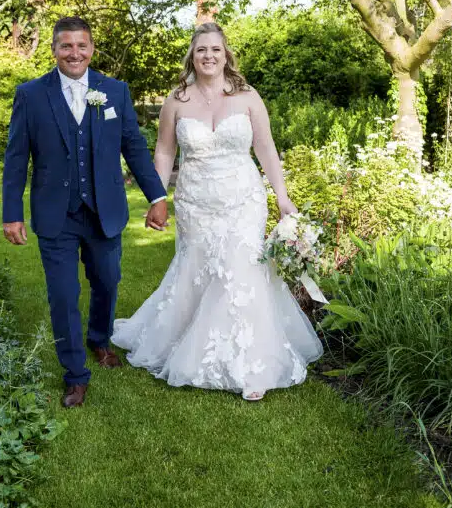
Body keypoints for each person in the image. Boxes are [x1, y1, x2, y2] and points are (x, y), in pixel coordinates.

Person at [112, 22, 323, 401]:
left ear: (226, 55)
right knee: (198, 270)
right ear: (192, 56)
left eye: (215, 49)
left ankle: (251, 366)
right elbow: (165, 151)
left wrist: (282, 197)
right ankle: (186, 341)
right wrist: (158, 198)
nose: (208, 56)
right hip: (195, 202)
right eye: (201, 50)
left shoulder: (248, 96)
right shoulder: (177, 100)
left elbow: (266, 148)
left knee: (241, 270)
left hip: (243, 199)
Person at [2, 16, 169, 408]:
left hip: (103, 210)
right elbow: (16, 158)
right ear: (54, 50)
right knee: (63, 295)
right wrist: (12, 213)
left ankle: (99, 339)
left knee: (107, 281)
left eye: (81, 45)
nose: (74, 53)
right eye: (66, 45)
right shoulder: (30, 95)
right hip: (55, 213)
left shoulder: (115, 91)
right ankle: (75, 374)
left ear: (92, 49)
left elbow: (134, 147)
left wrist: (157, 197)